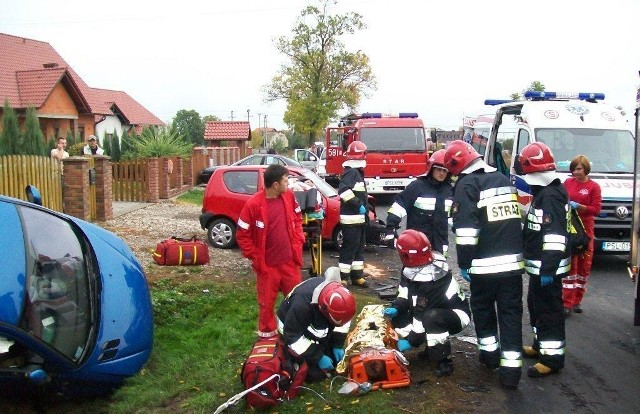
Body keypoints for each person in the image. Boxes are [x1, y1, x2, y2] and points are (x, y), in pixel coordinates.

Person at [444, 140, 525, 390]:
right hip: (512, 265)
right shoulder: (501, 179)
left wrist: (465, 263)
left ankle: (490, 357)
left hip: (484, 267)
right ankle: (512, 372)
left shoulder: (467, 185)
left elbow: (467, 231)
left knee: (483, 310)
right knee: (511, 314)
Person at [383, 229, 471, 377]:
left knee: (432, 318)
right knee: (407, 315)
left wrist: (412, 341)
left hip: (457, 314)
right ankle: (431, 349)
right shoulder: (412, 268)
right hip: (435, 309)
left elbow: (420, 314)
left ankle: (444, 360)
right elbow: (405, 291)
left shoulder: (433, 279)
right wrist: (397, 307)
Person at [518, 142, 571, 378]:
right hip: (540, 267)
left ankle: (552, 359)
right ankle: (541, 346)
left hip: (547, 268)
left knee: (549, 312)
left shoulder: (550, 196)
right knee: (537, 307)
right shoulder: (546, 192)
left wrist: (548, 268)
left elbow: (555, 237)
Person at [236, 164, 305, 338]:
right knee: (267, 304)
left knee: (296, 300)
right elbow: (242, 234)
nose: (288, 183)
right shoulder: (253, 204)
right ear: (275, 184)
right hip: (268, 267)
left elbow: (297, 218)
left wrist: (298, 238)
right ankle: (267, 336)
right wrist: (254, 255)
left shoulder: (288, 196)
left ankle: (295, 331)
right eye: (286, 179)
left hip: (290, 262)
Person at [277, 275, 356, 382]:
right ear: (324, 309)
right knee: (314, 374)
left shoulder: (340, 298)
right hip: (291, 331)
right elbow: (293, 337)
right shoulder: (302, 306)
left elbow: (342, 322)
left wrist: (337, 343)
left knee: (334, 361)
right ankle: (295, 360)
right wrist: (318, 357)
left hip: (313, 322)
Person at [385, 149, 453, 255]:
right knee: (413, 270)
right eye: (438, 169)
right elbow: (398, 207)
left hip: (440, 243)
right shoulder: (417, 186)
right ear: (431, 168)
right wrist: (390, 228)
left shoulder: (450, 191)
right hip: (417, 242)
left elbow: (455, 217)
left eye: (445, 170)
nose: (442, 173)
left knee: (440, 270)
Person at [562, 155, 602, 317]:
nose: (575, 172)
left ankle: (578, 300)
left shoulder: (593, 187)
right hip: (571, 230)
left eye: (578, 169)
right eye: (574, 169)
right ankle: (567, 302)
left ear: (585, 169)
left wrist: (580, 206)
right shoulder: (567, 183)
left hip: (586, 231)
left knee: (584, 268)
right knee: (571, 267)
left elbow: (596, 209)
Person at [338, 141, 369, 287]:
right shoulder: (352, 172)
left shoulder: (356, 173)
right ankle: (343, 277)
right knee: (349, 248)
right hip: (351, 220)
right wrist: (359, 204)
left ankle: (357, 276)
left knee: (358, 249)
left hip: (359, 220)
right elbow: (343, 191)